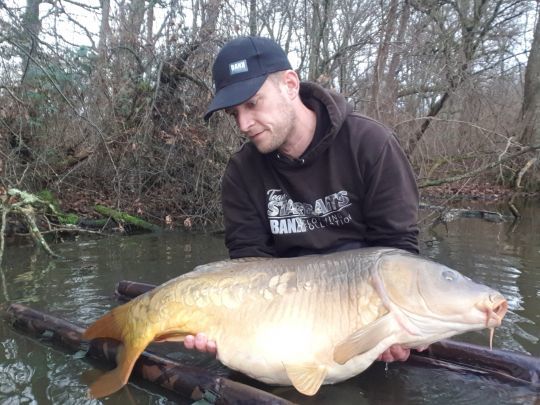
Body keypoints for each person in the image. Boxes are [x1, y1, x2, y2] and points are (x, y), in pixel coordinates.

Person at [184, 36, 419, 364]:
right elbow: (248, 264)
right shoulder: (241, 171)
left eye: (252, 103)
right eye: (233, 113)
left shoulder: (371, 144)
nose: (243, 124)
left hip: (360, 309)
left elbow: (398, 251)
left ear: (290, 85)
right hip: (284, 317)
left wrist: (390, 323)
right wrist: (228, 324)